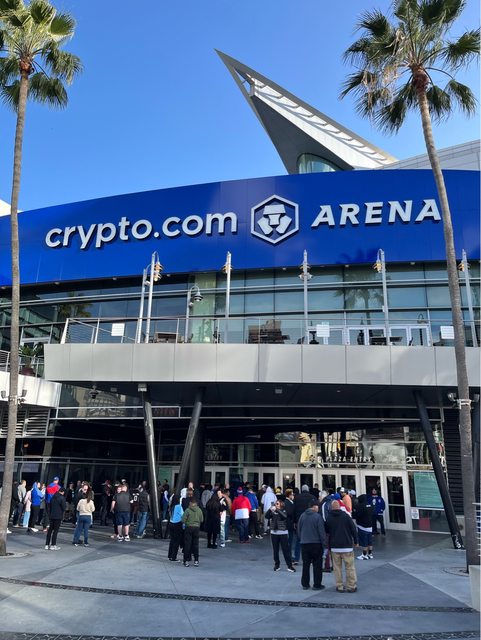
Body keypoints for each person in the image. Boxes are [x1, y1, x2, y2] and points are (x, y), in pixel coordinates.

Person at [325, 500, 358, 593]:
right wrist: (356, 541)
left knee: (337, 568)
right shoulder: (346, 516)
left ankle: (339, 586)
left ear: (331, 508)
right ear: (339, 507)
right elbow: (353, 529)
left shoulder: (329, 518)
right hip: (347, 546)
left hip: (335, 547)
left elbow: (326, 531)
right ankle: (351, 586)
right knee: (350, 567)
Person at [297, 500, 327, 590]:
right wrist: (324, 544)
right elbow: (321, 532)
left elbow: (299, 529)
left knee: (306, 565)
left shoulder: (302, 516)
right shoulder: (317, 517)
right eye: (318, 506)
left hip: (304, 543)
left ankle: (305, 584)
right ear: (314, 507)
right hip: (316, 544)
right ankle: (317, 584)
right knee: (317, 565)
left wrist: (302, 538)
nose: (318, 508)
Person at [265, 499, 296, 573]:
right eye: (275, 504)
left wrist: (277, 510)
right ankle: (277, 565)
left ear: (281, 504)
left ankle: (289, 566)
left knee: (286, 550)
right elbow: (266, 516)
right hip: (274, 532)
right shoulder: (273, 511)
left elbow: (284, 516)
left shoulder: (283, 510)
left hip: (283, 532)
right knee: (275, 550)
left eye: (277, 504)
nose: (276, 505)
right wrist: (270, 509)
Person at [181, 498, 204, 567]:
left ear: (190, 503)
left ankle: (186, 561)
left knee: (187, 544)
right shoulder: (199, 510)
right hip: (196, 528)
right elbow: (202, 519)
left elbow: (183, 519)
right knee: (195, 545)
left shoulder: (187, 510)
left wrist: (186, 522)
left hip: (189, 527)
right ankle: (196, 560)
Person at [355, 494, 375, 560]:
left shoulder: (360, 506)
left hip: (362, 527)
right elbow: (373, 513)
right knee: (370, 542)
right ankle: (370, 554)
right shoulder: (370, 505)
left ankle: (364, 555)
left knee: (364, 542)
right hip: (370, 526)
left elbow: (358, 515)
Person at [167, 494, 184, 561]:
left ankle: (170, 555)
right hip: (177, 524)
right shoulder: (179, 506)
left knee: (172, 540)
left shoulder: (171, 506)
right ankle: (174, 557)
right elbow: (183, 515)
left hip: (171, 523)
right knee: (176, 541)